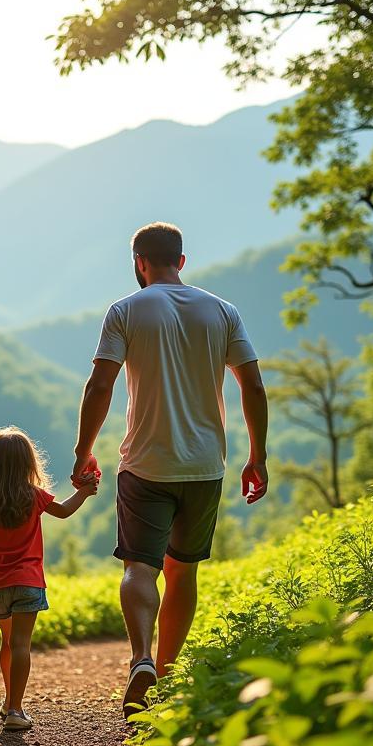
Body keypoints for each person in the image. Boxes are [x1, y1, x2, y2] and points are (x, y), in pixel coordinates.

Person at [71, 222, 269, 718]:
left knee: (140, 567)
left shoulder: (125, 311)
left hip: (144, 463)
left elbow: (100, 386)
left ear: (140, 262)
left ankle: (141, 658)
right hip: (205, 466)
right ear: (182, 260)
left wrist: (83, 451)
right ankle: (166, 670)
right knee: (183, 572)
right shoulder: (223, 312)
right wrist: (257, 456)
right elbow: (253, 387)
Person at [0, 427, 99, 731]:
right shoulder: (34, 496)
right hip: (29, 581)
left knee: (7, 642)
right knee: (22, 644)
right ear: (28, 463)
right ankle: (16, 710)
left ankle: (8, 701)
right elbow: (64, 511)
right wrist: (84, 491)